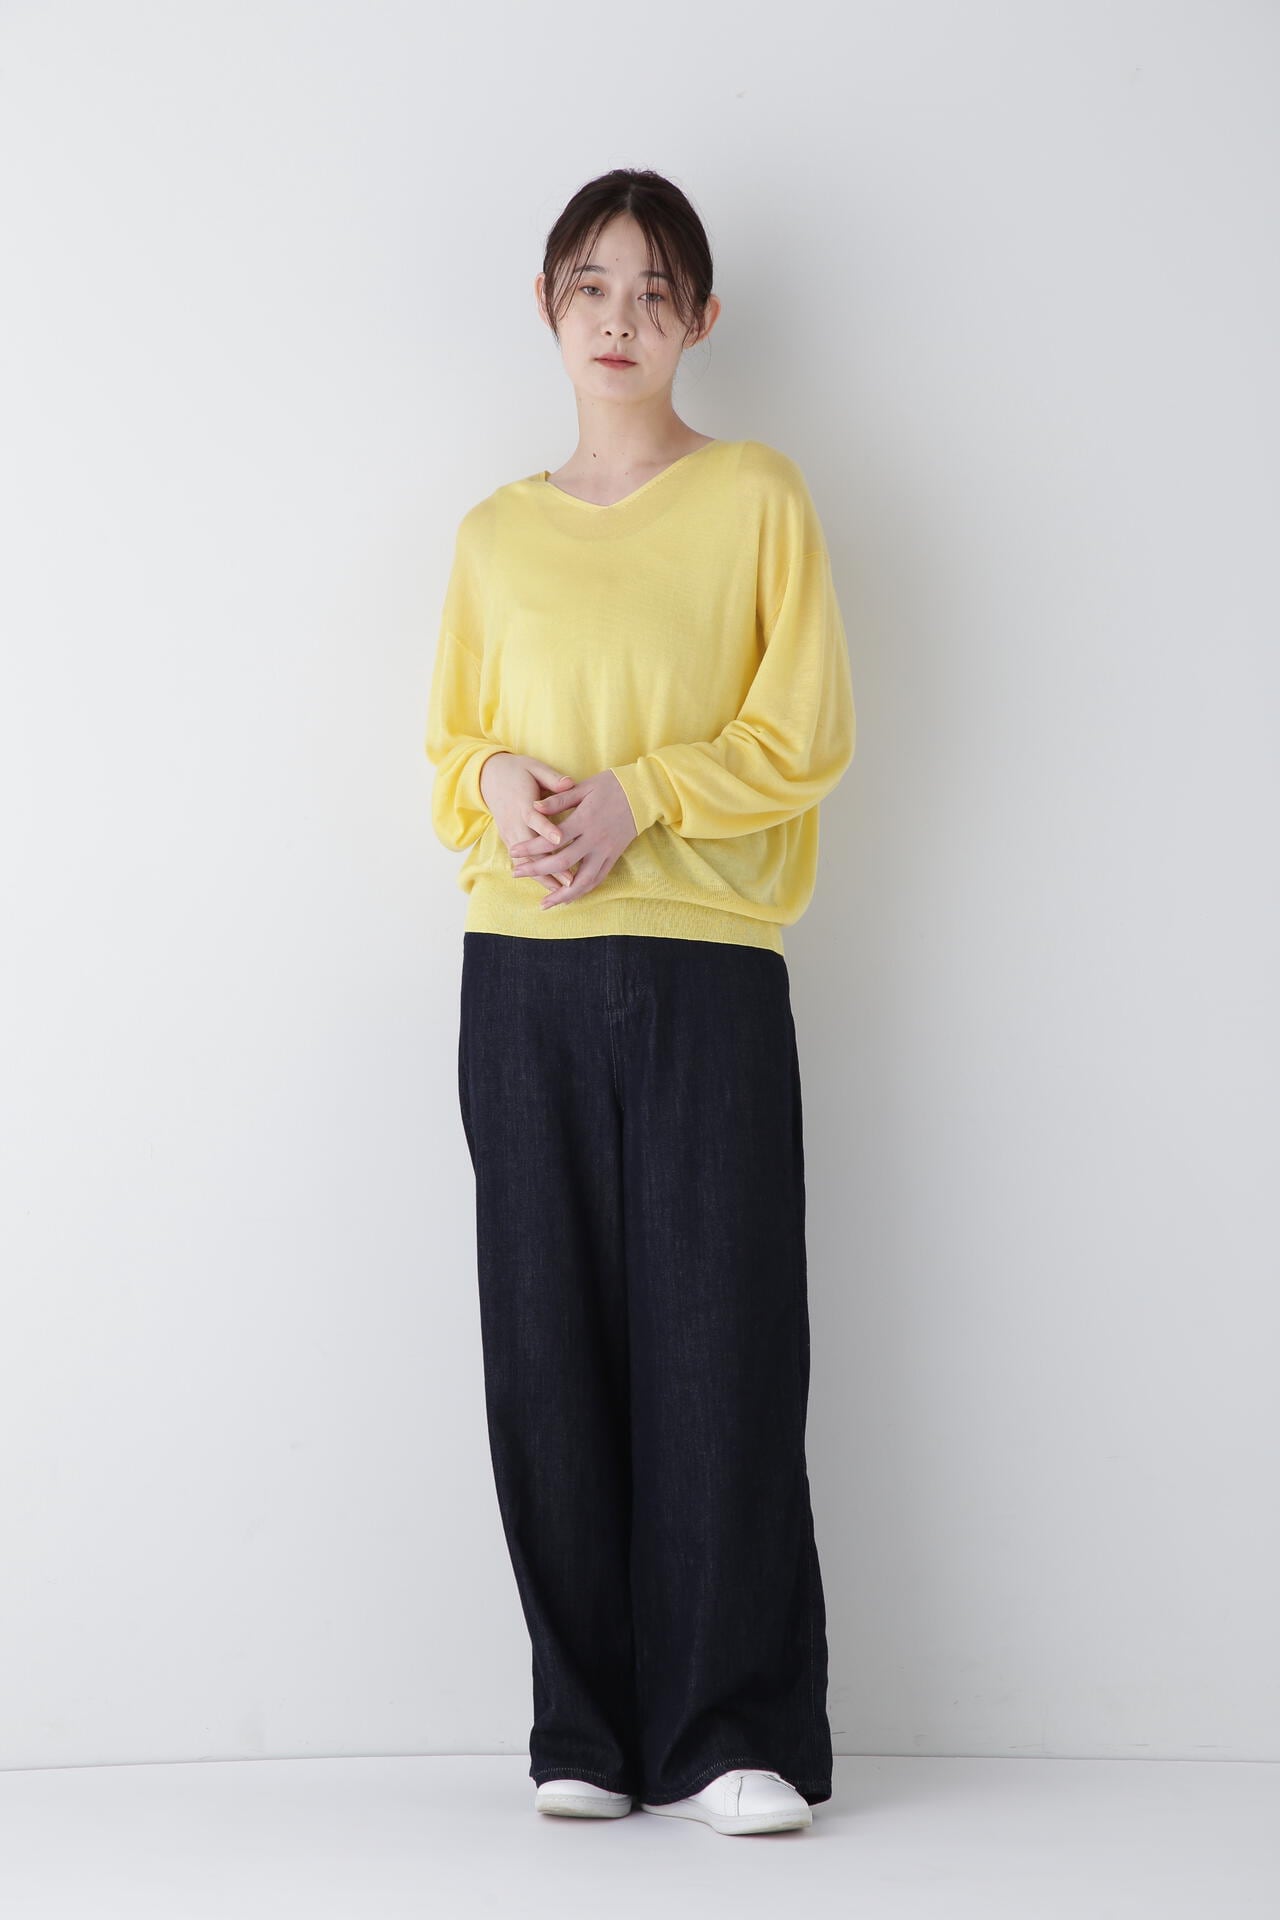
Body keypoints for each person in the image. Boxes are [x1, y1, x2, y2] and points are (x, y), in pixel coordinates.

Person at [425, 167, 855, 1837]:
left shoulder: (756, 497)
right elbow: (450, 754)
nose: (620, 319)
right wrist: (506, 778)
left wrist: (640, 796)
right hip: (517, 966)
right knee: (544, 1345)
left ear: (702, 320)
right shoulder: (493, 534)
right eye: (591, 288)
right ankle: (585, 1729)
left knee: (719, 1335)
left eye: (655, 292)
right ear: (549, 306)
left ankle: (731, 1727)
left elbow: (802, 730)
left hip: (706, 960)